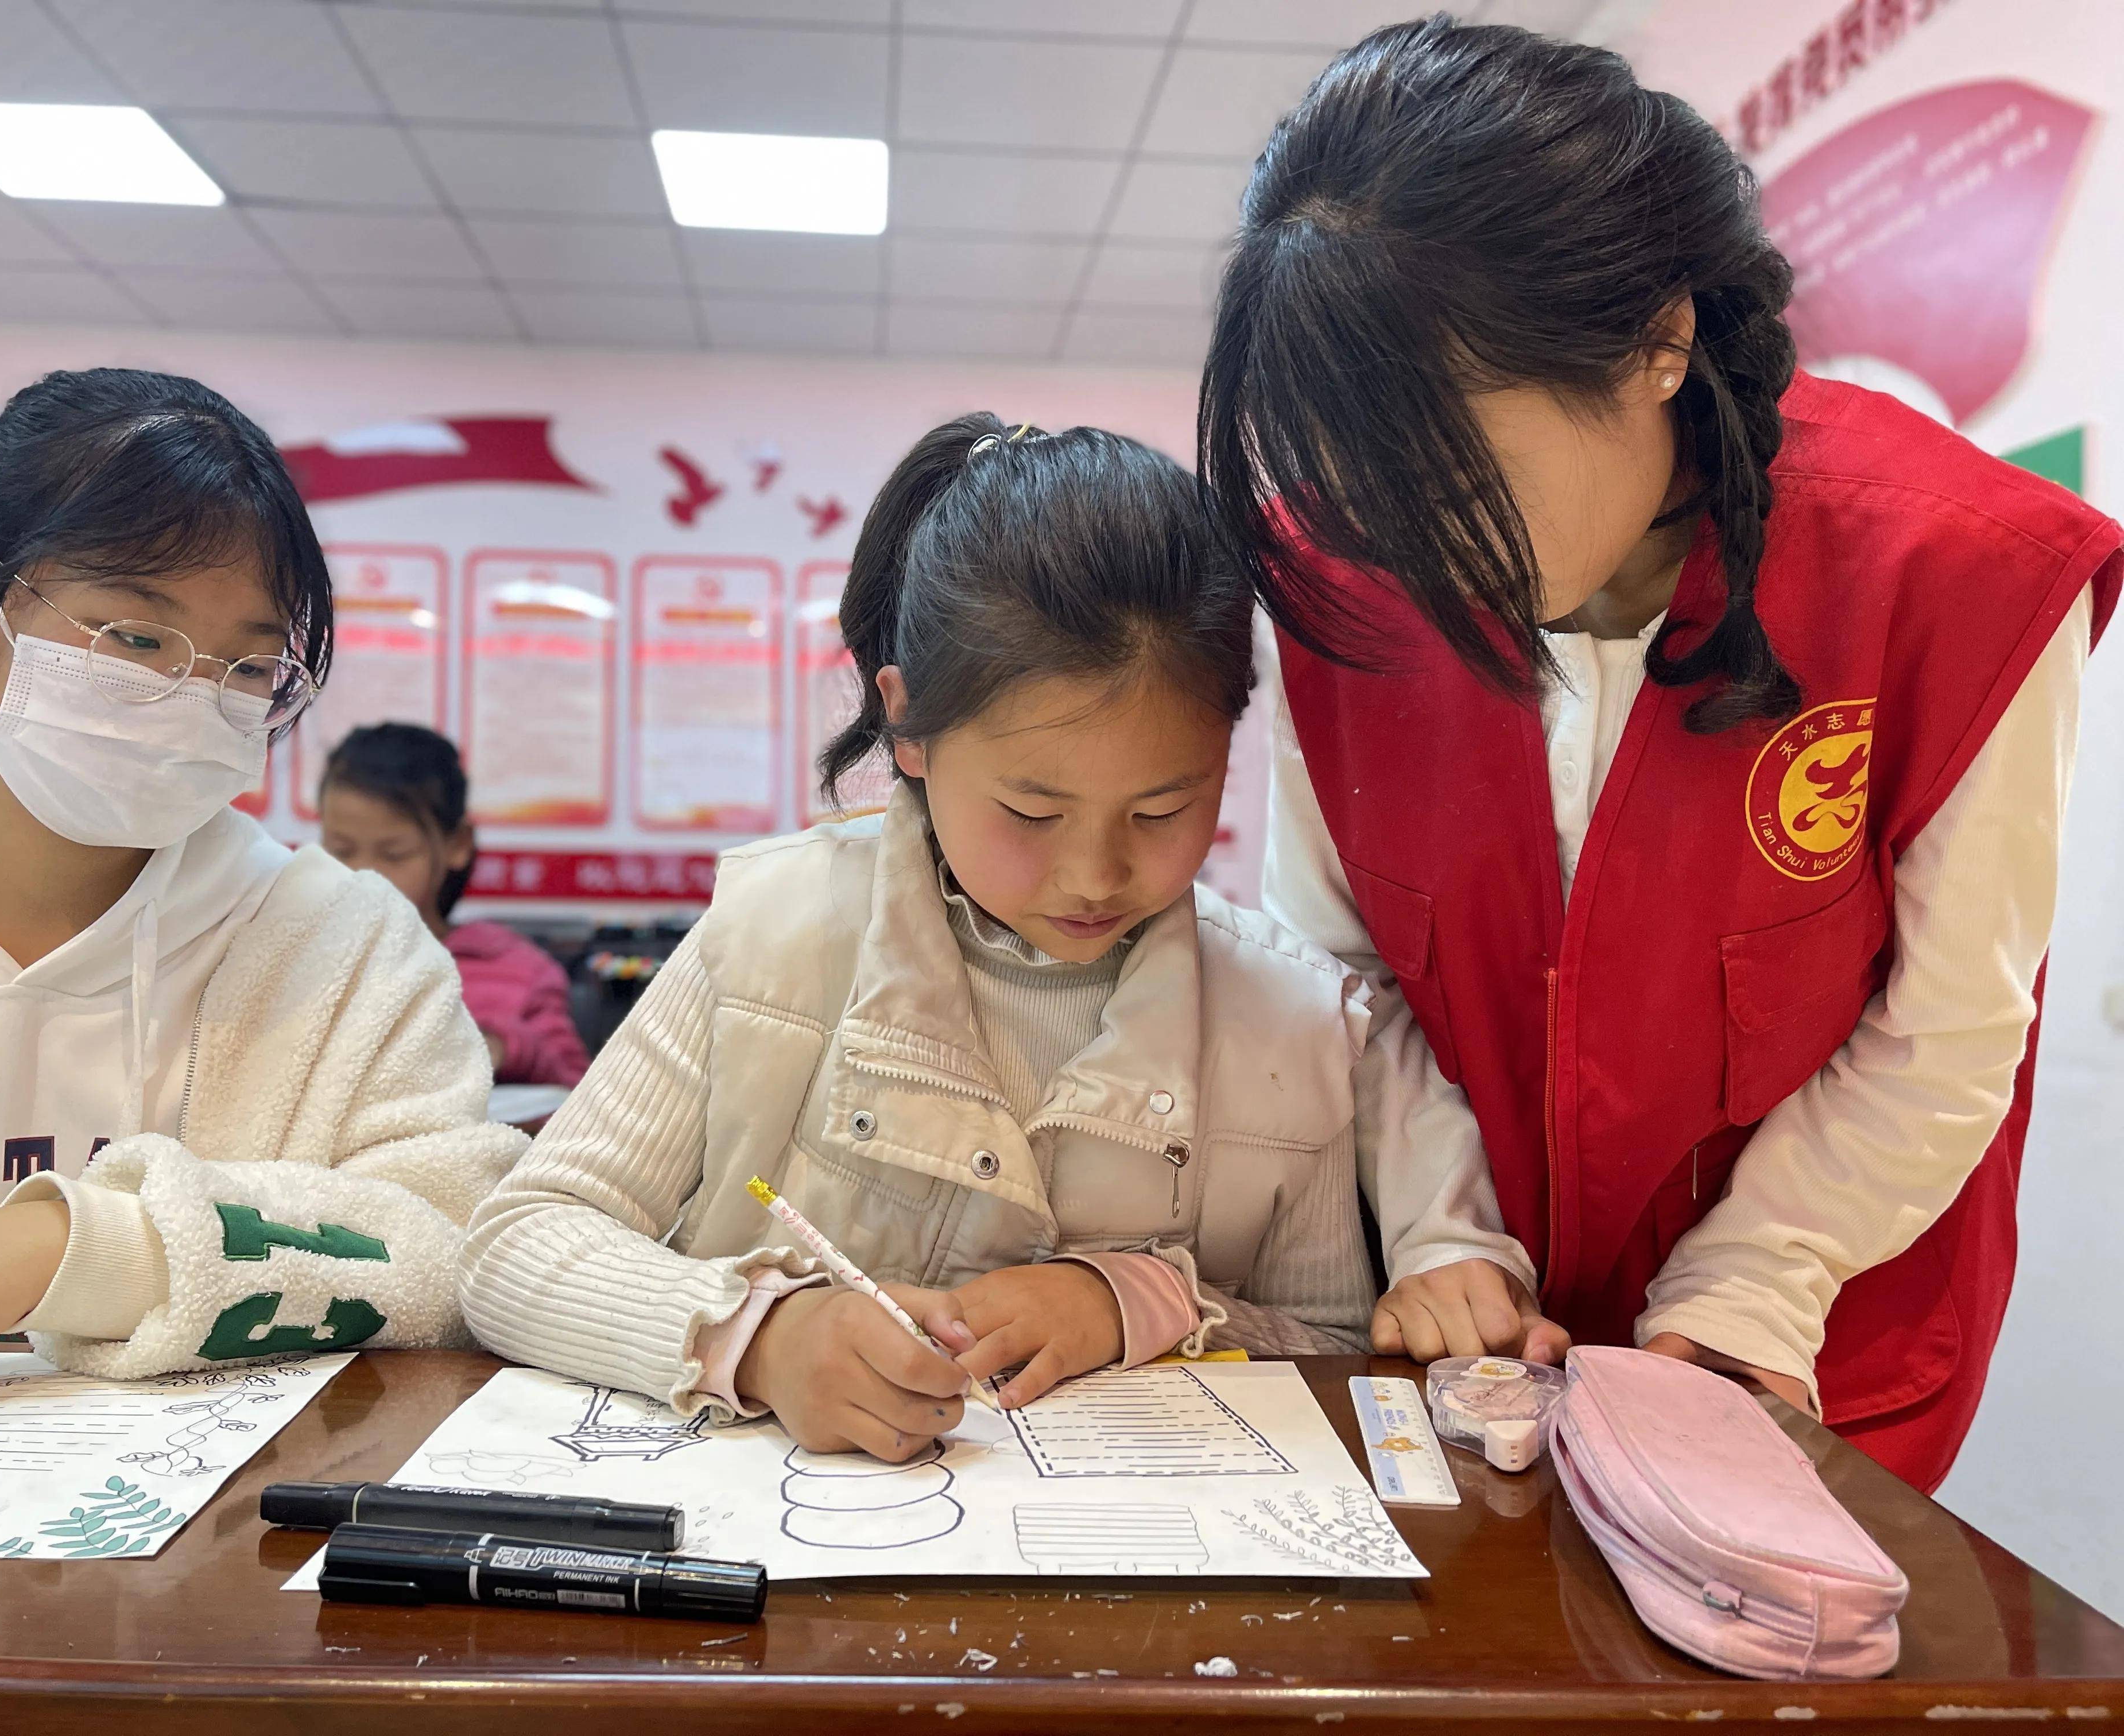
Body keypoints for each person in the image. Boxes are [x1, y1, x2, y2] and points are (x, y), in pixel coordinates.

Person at [1198, 18, 2119, 1490]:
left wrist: (1758, 1279)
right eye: (1358, 480)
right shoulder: (1342, 576)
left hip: (1799, 1342)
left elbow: (1946, 1030)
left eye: (1452, 477)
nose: (1416, 555)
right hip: (1462, 1347)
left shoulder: (1953, 574)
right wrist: (1447, 1231)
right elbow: (1344, 978)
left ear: (1657, 344)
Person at [461, 413, 1560, 1463]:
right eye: (1032, 813)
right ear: (910, 725)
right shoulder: (774, 936)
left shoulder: (1290, 1021)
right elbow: (516, 1245)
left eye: (1161, 810)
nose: (1094, 874)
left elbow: (1328, 1344)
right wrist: (759, 1333)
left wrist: (1131, 1300)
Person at [0, 367, 526, 1423]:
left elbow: (456, 1243)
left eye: (247, 665)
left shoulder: (345, 948)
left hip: (202, 1561)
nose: (188, 700)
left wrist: (55, 1245)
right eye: (135, 638)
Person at [319, 723, 590, 1089]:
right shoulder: (309, 959)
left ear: (458, 844)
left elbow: (580, 1095)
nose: (365, 874)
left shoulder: (518, 972)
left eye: (394, 854)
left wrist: (504, 1050)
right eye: (341, 851)